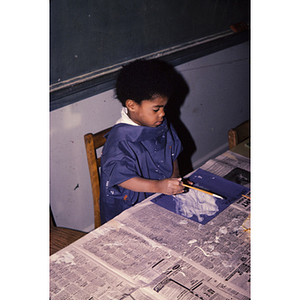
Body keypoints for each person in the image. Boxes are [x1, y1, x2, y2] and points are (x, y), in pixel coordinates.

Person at [100, 59, 185, 224]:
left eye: (164, 108)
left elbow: (172, 152)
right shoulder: (120, 139)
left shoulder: (159, 123)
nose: (162, 114)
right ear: (132, 105)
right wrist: (158, 186)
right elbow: (123, 178)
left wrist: (175, 177)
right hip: (129, 207)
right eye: (156, 109)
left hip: (158, 196)